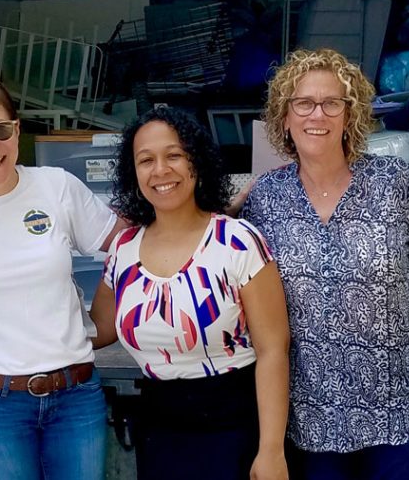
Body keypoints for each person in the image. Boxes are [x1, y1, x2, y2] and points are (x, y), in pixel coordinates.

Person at [239, 48, 409, 480]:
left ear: (351, 115)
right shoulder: (264, 200)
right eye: (303, 103)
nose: (317, 115)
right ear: (284, 117)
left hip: (401, 411)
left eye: (332, 103)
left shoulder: (392, 183)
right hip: (311, 419)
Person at [0, 70, 126, 480]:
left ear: (17, 130)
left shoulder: (56, 186)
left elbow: (127, 245)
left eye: (0, 129)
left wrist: (214, 220)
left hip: (76, 396)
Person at [90, 106, 291, 480]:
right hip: (159, 428)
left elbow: (273, 349)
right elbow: (99, 330)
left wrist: (271, 451)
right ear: (133, 174)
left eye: (174, 155)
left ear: (196, 163)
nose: (161, 170)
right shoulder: (124, 249)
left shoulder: (238, 242)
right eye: (146, 160)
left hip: (233, 426)